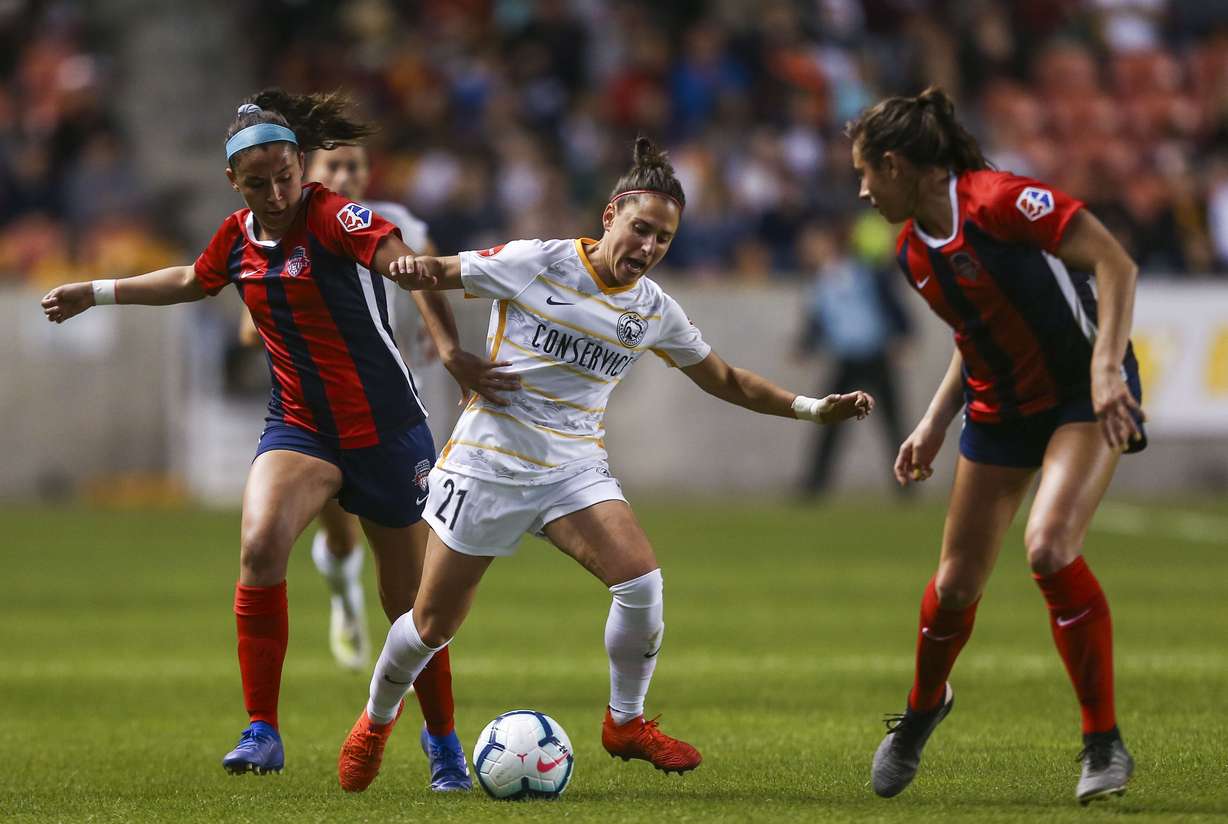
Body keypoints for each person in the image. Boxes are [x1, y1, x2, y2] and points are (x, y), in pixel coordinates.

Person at [333, 137, 875, 792]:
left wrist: (814, 408)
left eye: (664, 240)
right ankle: (376, 720)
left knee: (642, 583)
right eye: (641, 229)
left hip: (573, 470)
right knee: (429, 626)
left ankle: (625, 722)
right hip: (488, 464)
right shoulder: (538, 261)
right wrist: (439, 335)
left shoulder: (651, 309)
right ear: (612, 214)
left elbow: (726, 379)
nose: (648, 248)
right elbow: (428, 272)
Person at [41, 89, 518, 790]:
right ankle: (262, 730)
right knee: (261, 544)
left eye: (284, 178)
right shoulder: (235, 237)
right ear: (234, 181)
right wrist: (98, 290)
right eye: (257, 183)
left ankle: (442, 739)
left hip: (386, 430)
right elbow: (191, 280)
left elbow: (389, 249)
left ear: (303, 168)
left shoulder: (331, 215)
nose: (273, 193)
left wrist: (411, 281)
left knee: (410, 607)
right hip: (299, 426)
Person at [846, 87, 1146, 804]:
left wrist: (1107, 366)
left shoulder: (1002, 200)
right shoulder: (913, 252)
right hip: (1000, 409)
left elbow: (1117, 265)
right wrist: (932, 421)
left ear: (895, 164)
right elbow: (971, 334)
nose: (860, 190)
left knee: (1048, 548)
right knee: (954, 586)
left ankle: (1102, 742)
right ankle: (922, 710)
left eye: (864, 173)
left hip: (1083, 396)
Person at [298, 144, 441, 674]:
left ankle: (419, 667)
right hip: (326, 409)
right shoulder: (294, 232)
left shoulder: (398, 223)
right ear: (308, 174)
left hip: (399, 403)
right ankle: (344, 600)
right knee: (339, 534)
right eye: (332, 166)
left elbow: (430, 274)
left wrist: (436, 332)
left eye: (354, 165)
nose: (344, 175)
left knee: (413, 550)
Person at [795, 220, 912, 495]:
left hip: (874, 355)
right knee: (828, 422)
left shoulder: (864, 272)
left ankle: (905, 483)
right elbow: (819, 321)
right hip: (846, 359)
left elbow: (892, 304)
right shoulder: (822, 281)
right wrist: (805, 345)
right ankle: (815, 484)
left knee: (892, 423)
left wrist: (903, 334)